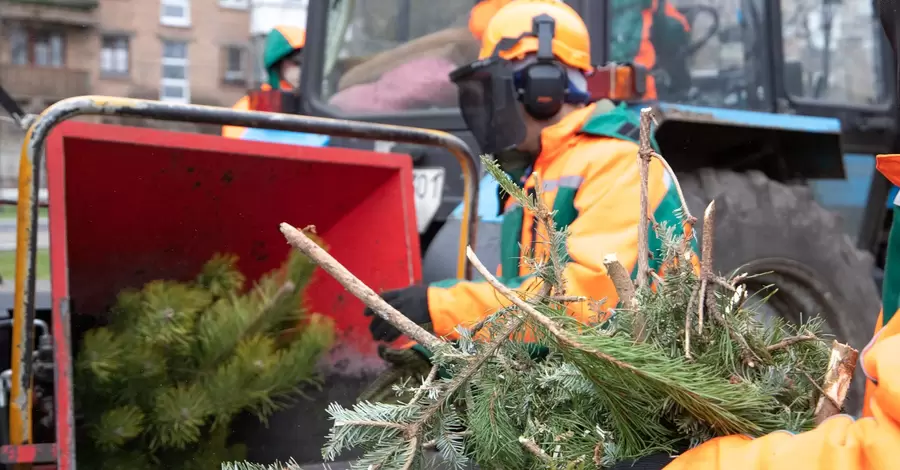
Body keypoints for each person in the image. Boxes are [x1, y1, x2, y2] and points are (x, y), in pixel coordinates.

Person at [364, 0, 696, 346]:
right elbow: (532, 320)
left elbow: (589, 306)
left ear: (543, 90)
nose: (492, 110)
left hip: (641, 372)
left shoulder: (618, 162)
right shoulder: (537, 172)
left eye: (496, 91)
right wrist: (439, 349)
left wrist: (441, 307)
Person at [222, 25, 305, 138]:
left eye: (307, 63)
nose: (301, 70)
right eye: (297, 62)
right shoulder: (249, 107)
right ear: (277, 63)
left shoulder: (314, 103)